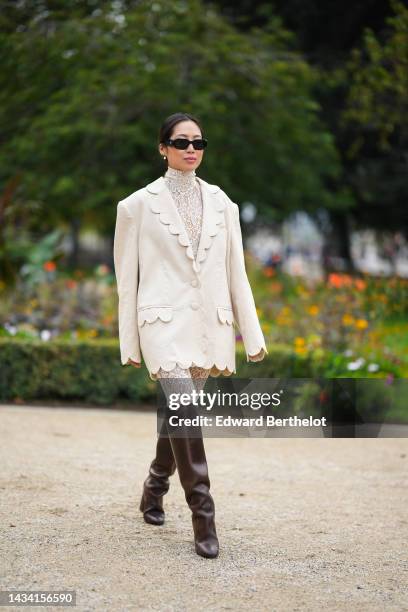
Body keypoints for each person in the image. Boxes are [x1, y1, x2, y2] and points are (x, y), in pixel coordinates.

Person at [113, 112, 267, 558]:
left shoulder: (224, 204)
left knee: (180, 414)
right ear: (162, 148)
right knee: (183, 408)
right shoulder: (136, 206)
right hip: (160, 324)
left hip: (207, 329)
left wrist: (250, 332)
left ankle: (154, 486)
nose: (191, 149)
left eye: (198, 142)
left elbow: (236, 273)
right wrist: (129, 343)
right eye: (180, 142)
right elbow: (128, 282)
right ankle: (204, 515)